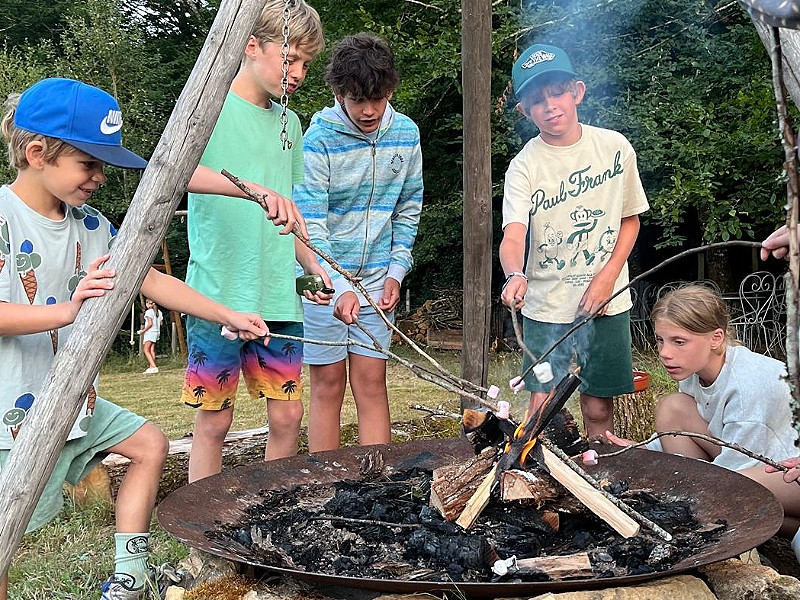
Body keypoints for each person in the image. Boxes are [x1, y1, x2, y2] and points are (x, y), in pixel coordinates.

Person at [0, 78, 270, 600]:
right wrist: (68, 311)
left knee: (148, 444)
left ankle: (130, 576)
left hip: (76, 400)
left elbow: (148, 278)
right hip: (11, 411)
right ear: (37, 152)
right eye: (89, 164)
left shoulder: (93, 225)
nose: (100, 178)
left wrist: (228, 313)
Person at [183, 0, 331, 483]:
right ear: (252, 46)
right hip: (217, 293)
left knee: (287, 416)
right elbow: (177, 174)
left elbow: (288, 211)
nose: (298, 73)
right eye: (289, 59)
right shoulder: (208, 105)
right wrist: (253, 189)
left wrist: (313, 267)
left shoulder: (291, 124)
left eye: (307, 64)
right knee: (215, 419)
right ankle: (201, 528)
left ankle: (275, 515)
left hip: (277, 296)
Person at [498, 43, 649, 438]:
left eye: (557, 93)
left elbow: (629, 221)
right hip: (546, 308)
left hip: (607, 301)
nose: (550, 106)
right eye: (537, 100)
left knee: (598, 407)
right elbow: (513, 235)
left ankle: (598, 485)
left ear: (577, 92)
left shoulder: (614, 148)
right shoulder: (524, 166)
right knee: (540, 406)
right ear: (525, 111)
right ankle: (535, 480)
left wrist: (607, 279)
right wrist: (514, 274)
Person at [294, 32, 423, 452]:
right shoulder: (317, 140)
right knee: (327, 384)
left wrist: (397, 271)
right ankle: (322, 483)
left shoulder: (406, 134)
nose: (368, 110)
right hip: (318, 277)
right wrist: (339, 288)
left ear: (391, 90)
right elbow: (311, 225)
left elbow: (407, 208)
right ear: (337, 92)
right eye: (357, 100)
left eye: (378, 99)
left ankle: (376, 484)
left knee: (371, 382)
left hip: (377, 279)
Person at [605, 285, 800, 555]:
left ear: (716, 338)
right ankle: (763, 520)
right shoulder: (696, 371)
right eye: (661, 340)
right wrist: (645, 451)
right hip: (756, 457)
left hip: (790, 469)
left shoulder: (747, 387)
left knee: (723, 491)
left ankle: (719, 512)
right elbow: (729, 446)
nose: (664, 352)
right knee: (673, 407)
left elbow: (734, 473)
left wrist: (687, 490)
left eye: (679, 342)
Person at [138, 298, 162, 374]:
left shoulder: (148, 312)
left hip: (150, 332)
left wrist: (143, 331)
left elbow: (150, 323)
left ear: (148, 303)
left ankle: (154, 367)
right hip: (156, 332)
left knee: (146, 350)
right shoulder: (159, 312)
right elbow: (161, 323)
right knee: (152, 350)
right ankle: (151, 367)